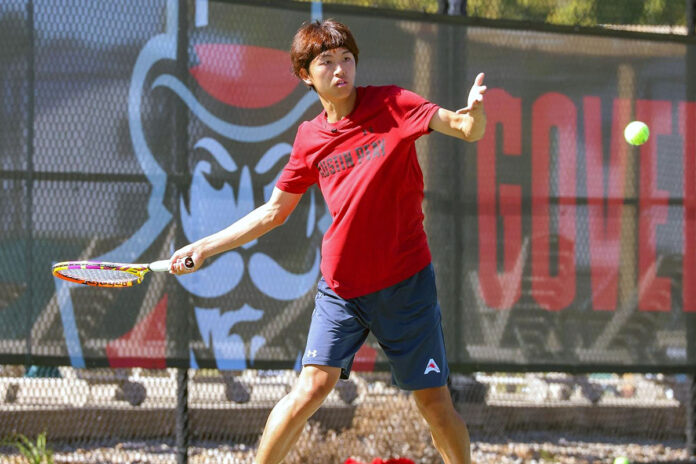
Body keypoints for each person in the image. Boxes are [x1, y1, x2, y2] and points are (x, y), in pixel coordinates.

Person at [169, 18, 486, 464]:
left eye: (347, 59)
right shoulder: (309, 138)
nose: (340, 69)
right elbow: (274, 212)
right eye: (327, 62)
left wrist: (474, 116)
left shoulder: (393, 103)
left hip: (405, 284)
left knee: (435, 405)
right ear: (305, 74)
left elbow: (463, 128)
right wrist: (205, 247)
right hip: (342, 289)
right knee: (310, 388)